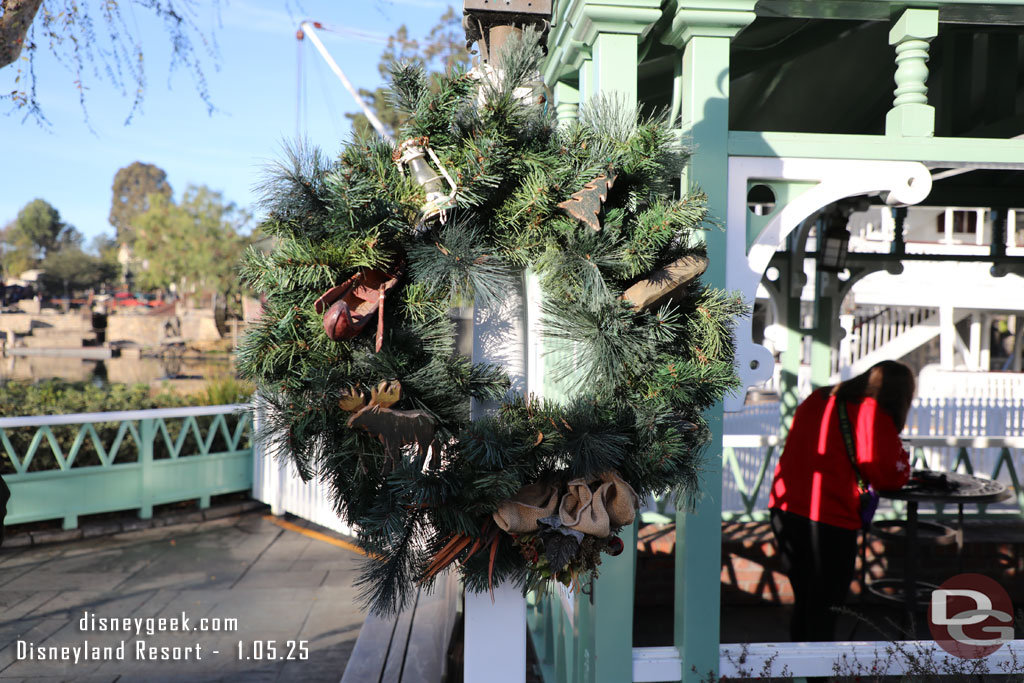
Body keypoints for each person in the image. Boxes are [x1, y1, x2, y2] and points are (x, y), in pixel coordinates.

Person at [768, 360, 915, 642]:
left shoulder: (819, 398)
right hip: (830, 518)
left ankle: (800, 666)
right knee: (826, 606)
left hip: (786, 511)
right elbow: (888, 475)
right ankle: (818, 671)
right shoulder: (871, 413)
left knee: (805, 601)